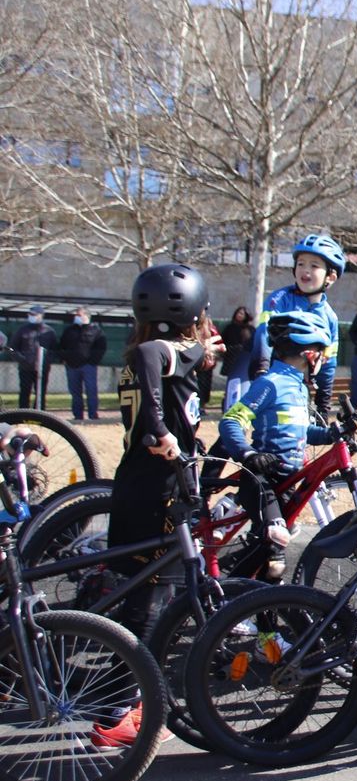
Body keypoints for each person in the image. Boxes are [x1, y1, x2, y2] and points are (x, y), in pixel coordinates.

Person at [109, 264, 224, 645]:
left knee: (145, 592)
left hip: (138, 482)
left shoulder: (168, 356)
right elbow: (151, 353)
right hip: (160, 490)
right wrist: (161, 430)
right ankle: (122, 698)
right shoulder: (160, 351)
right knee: (151, 601)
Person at [217, 311, 339, 579]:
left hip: (286, 482)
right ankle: (228, 603)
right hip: (262, 479)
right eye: (320, 351)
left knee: (268, 564)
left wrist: (331, 434)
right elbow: (230, 422)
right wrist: (248, 454)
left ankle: (249, 609)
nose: (322, 358)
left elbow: (299, 432)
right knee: (275, 545)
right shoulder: (270, 384)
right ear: (308, 353)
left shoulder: (299, 388)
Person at [252, 234, 343, 422]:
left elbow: (329, 361)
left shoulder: (330, 317)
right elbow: (263, 334)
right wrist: (261, 372)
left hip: (300, 386)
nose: (305, 270)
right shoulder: (280, 299)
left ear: (331, 276)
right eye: (301, 263)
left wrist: (323, 403)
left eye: (314, 265)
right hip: (269, 377)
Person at [58, 307, 108, 422]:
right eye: (76, 315)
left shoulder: (96, 331)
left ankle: (93, 415)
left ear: (86, 316)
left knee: (91, 391)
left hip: (88, 366)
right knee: (75, 392)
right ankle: (77, 415)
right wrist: (65, 358)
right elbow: (62, 345)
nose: (76, 317)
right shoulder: (69, 330)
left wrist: (92, 362)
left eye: (79, 315)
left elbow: (101, 347)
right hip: (72, 366)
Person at [10, 304, 57, 408]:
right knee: (25, 391)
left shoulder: (49, 331)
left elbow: (54, 349)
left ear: (41, 315)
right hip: (25, 368)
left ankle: (39, 414)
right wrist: (21, 359)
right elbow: (13, 348)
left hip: (42, 368)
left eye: (34, 314)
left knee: (41, 392)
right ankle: (23, 414)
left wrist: (47, 360)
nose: (31, 316)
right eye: (30, 314)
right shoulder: (22, 330)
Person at [220, 307, 256, 409]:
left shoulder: (251, 330)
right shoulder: (229, 328)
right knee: (231, 383)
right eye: (238, 313)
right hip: (231, 358)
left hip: (245, 360)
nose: (240, 315)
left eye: (242, 314)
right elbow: (224, 341)